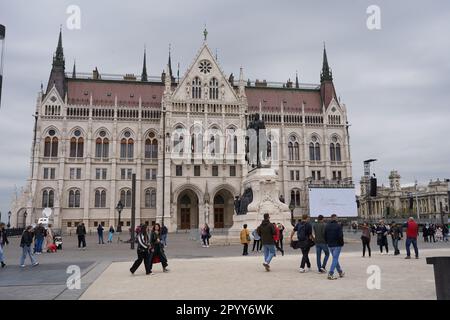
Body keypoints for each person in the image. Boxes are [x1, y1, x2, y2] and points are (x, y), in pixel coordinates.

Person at [324, 214, 345, 280]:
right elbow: (340, 236)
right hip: (337, 245)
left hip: (330, 245)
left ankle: (340, 272)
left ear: (331, 218)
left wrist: (327, 242)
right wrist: (341, 243)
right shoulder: (338, 226)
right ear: (335, 218)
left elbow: (324, 235)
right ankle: (330, 273)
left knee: (335, 259)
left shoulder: (327, 226)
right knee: (335, 259)